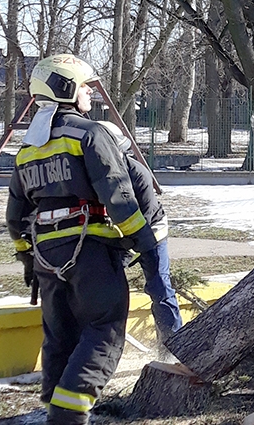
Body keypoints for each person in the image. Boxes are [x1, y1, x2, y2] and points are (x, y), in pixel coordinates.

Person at [6, 54, 156, 425]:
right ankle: (70, 413)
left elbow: (15, 215)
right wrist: (146, 241)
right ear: (67, 88)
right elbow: (117, 194)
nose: (90, 91)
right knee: (105, 325)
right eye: (85, 85)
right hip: (89, 251)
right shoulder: (91, 133)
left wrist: (27, 257)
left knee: (60, 334)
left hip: (45, 255)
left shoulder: (28, 148)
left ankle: (54, 409)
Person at [96, 121, 183, 347]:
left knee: (159, 286)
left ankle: (174, 345)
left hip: (151, 233)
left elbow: (143, 223)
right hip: (119, 235)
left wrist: (126, 253)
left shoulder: (137, 175)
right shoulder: (95, 175)